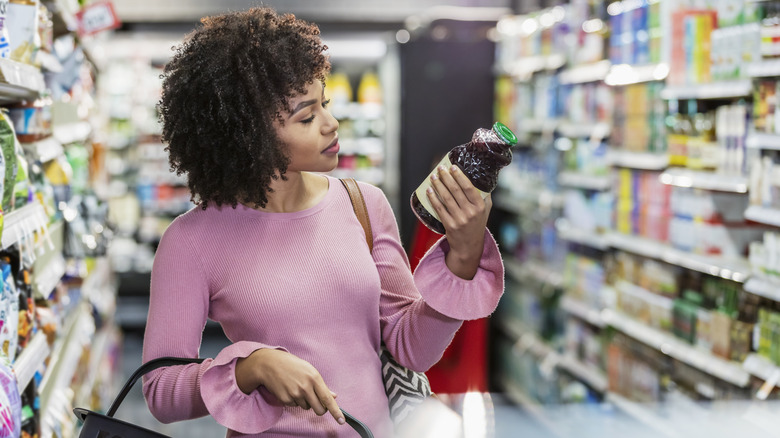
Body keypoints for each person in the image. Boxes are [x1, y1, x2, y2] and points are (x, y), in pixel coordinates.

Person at [142, 6, 504, 438]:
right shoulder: (190, 242)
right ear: (250, 136)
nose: (332, 124)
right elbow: (160, 390)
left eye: (325, 104)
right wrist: (249, 368)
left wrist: (463, 256)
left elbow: (412, 348)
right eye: (307, 116)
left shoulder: (363, 205)